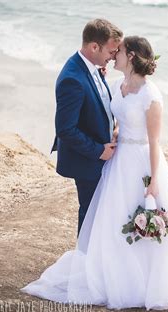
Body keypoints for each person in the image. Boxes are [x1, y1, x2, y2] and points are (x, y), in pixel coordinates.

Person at [21, 35, 168, 312]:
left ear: (130, 56)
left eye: (118, 52)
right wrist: (116, 134)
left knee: (140, 219)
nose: (113, 55)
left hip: (141, 163)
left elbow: (154, 142)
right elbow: (117, 120)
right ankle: (115, 275)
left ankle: (146, 281)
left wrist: (154, 180)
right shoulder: (120, 85)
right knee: (113, 218)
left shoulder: (151, 95)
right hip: (118, 162)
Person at [50, 18, 122, 236]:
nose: (113, 56)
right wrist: (99, 151)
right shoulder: (72, 79)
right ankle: (85, 260)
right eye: (111, 51)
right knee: (91, 212)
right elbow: (65, 129)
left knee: (101, 212)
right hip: (87, 159)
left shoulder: (92, 68)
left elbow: (94, 106)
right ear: (94, 47)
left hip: (99, 154)